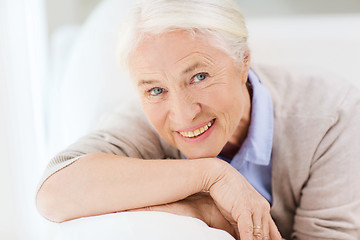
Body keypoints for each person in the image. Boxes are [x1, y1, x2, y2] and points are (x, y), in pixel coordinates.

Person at [36, 0, 360, 239]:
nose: (182, 113)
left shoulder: (331, 115)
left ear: (242, 61)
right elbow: (54, 193)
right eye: (156, 89)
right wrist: (209, 183)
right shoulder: (145, 120)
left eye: (199, 76)